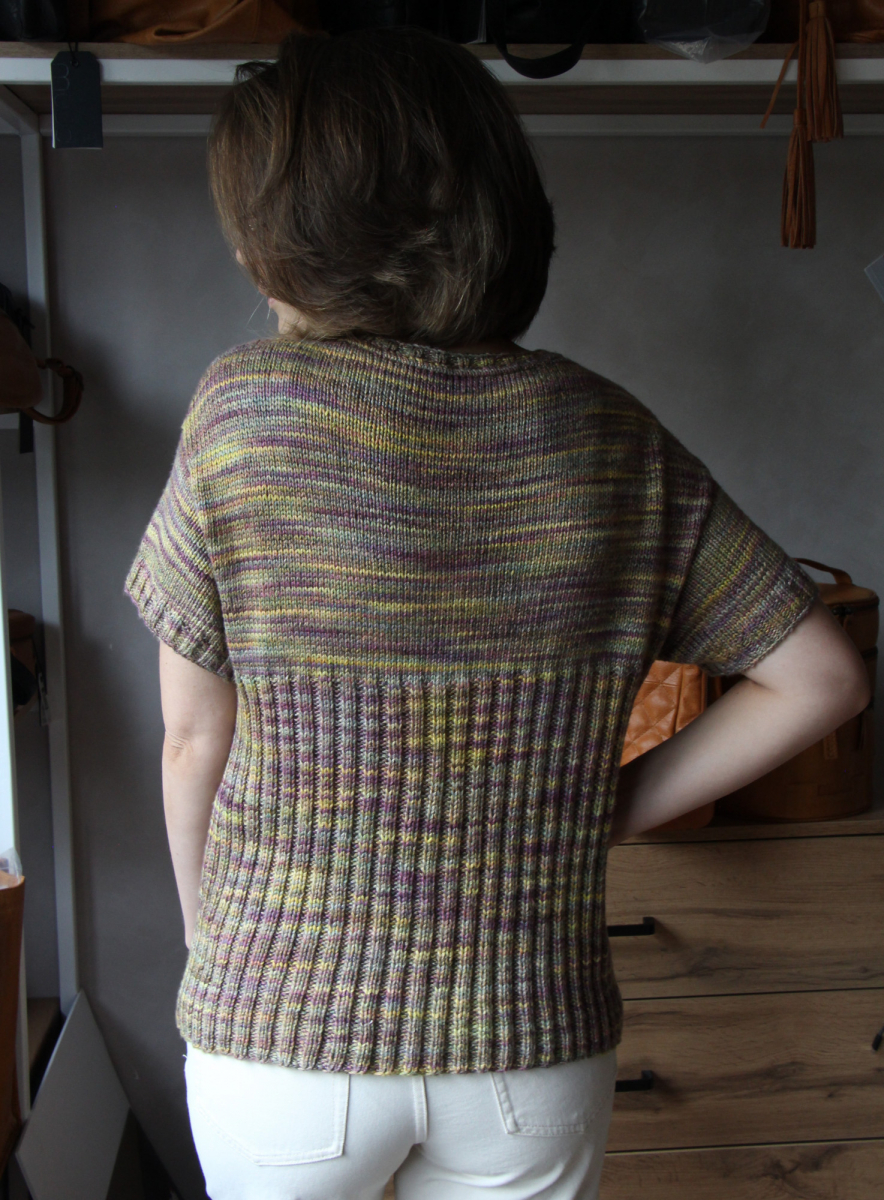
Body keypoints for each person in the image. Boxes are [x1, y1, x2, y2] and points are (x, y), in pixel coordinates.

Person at [124, 27, 869, 1200]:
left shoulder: (242, 416)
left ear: (290, 239)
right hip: (529, 1043)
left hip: (283, 1041)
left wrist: (209, 946)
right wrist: (605, 806)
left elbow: (191, 740)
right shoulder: (610, 433)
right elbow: (820, 678)